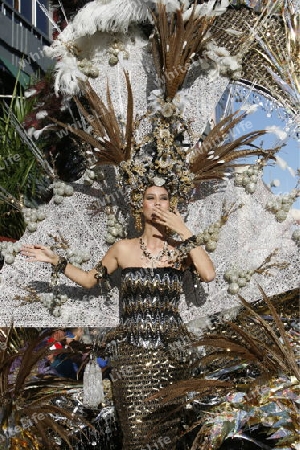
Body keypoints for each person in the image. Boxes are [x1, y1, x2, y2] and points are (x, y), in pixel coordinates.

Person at [21, 184, 215, 449]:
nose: (157, 204)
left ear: (172, 206)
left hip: (171, 357)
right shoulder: (122, 249)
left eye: (163, 199)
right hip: (131, 358)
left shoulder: (181, 251)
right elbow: (89, 280)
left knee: (169, 438)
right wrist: (57, 261)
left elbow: (208, 274)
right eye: (150, 198)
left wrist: (184, 231)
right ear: (140, 205)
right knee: (136, 436)